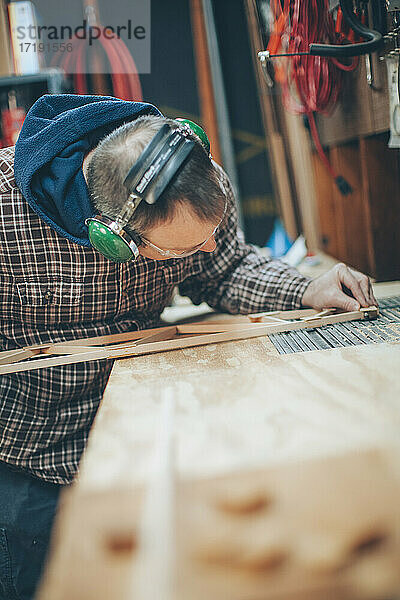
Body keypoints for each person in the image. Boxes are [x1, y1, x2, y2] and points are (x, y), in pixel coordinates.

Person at [0, 94, 375, 600]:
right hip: (39, 448)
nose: (202, 248)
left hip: (151, 424)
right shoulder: (6, 211)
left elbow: (225, 267)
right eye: (180, 248)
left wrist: (307, 288)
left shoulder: (196, 179)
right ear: (114, 239)